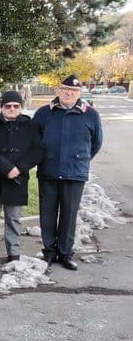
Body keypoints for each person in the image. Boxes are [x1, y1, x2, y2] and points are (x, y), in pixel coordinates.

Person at [33, 75, 103, 270]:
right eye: (65, 89)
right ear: (58, 90)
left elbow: (96, 143)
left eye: (73, 91)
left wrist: (80, 159)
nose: (68, 93)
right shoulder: (43, 113)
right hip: (48, 170)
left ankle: (65, 253)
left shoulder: (90, 114)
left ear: (79, 93)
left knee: (69, 214)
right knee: (47, 213)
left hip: (75, 173)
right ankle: (48, 252)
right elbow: (34, 140)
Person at [0, 90, 44, 264]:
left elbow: (37, 151)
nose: (12, 109)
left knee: (13, 219)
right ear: (2, 107)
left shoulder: (30, 126)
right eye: (8, 106)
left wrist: (19, 168)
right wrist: (6, 168)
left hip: (18, 179)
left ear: (21, 107)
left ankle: (13, 252)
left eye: (16, 106)